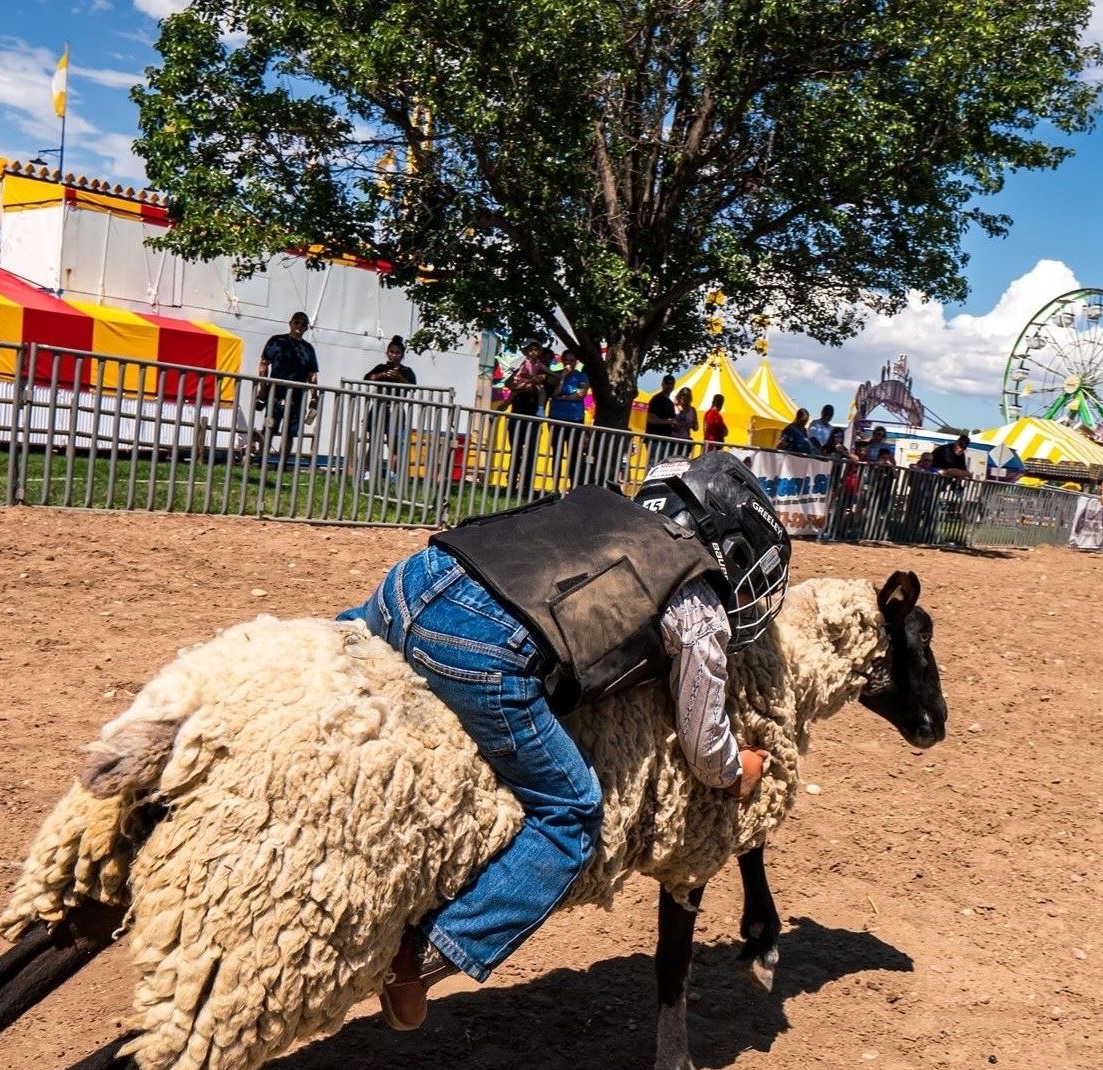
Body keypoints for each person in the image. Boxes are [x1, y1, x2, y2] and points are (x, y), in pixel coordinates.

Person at [338, 451, 792, 1029]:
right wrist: (737, 772)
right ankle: (420, 962)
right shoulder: (697, 600)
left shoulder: (599, 506)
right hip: (481, 649)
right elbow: (703, 744)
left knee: (327, 656)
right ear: (729, 541)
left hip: (410, 582)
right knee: (575, 814)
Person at [257, 312, 319, 462]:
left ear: (306, 328)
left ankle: (282, 464)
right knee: (269, 425)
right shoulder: (276, 341)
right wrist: (263, 389)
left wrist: (314, 396)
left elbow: (312, 375)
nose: (299, 326)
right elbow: (263, 365)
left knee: (290, 431)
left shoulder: (308, 349)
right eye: (296, 322)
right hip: (275, 392)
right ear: (290, 323)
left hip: (297, 396)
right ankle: (262, 461)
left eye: (303, 324)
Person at [363, 334, 418, 483]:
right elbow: (367, 378)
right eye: (391, 352)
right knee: (374, 441)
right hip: (379, 407)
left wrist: (398, 377)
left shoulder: (407, 371)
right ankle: (367, 471)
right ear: (387, 353)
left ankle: (392, 473)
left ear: (402, 354)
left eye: (397, 352)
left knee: (394, 444)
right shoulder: (381, 367)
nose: (394, 355)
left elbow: (413, 386)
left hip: (396, 409)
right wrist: (382, 375)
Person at [505, 341, 548, 498]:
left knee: (530, 453)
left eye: (536, 350)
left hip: (532, 418)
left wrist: (537, 380)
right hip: (517, 413)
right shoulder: (521, 366)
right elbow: (509, 383)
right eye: (530, 350)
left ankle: (526, 486)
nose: (533, 353)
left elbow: (548, 380)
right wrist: (521, 385)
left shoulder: (542, 371)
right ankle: (511, 483)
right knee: (516, 451)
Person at [546, 347, 591, 485]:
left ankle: (574, 486)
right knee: (557, 454)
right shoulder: (555, 375)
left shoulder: (581, 376)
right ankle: (554, 487)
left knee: (574, 455)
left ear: (576, 361)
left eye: (572, 360)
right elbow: (553, 394)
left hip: (575, 419)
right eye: (567, 360)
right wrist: (563, 377)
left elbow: (580, 395)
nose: (569, 363)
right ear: (562, 360)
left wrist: (562, 397)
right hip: (556, 418)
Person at [644, 374, 678, 468]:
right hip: (655, 439)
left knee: (661, 466)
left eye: (671, 384)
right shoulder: (657, 399)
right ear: (662, 384)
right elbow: (651, 419)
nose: (669, 386)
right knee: (653, 465)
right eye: (667, 383)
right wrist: (668, 422)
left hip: (666, 440)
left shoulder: (670, 403)